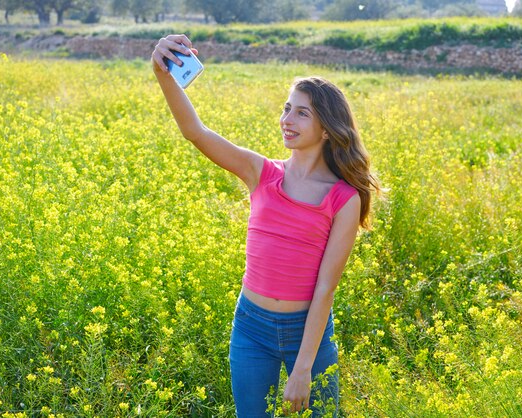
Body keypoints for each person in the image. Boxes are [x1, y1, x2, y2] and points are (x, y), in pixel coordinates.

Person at [151, 34, 380, 417]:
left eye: (301, 113)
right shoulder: (260, 172)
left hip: (307, 335)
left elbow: (325, 289)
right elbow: (196, 132)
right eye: (286, 109)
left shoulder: (343, 198)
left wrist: (304, 368)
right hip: (251, 328)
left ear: (327, 129)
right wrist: (163, 74)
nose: (286, 120)